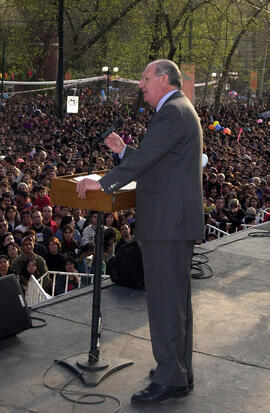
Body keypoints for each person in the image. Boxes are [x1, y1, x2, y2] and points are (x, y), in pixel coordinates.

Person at [76, 59, 204, 404]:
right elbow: (155, 160)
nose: (141, 85)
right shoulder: (179, 110)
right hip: (172, 223)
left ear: (163, 79)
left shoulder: (172, 112)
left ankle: (170, 377)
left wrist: (101, 183)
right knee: (175, 303)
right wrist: (122, 152)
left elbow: (147, 161)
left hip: (167, 224)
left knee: (165, 303)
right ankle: (178, 369)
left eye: (145, 78)